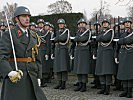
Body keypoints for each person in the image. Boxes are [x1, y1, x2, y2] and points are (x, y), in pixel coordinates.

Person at [0, 6, 47, 100]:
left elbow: (37, 58)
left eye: (28, 16)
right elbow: (2, 56)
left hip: (32, 76)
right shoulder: (9, 34)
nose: (27, 18)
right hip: (17, 76)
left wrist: (38, 76)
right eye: (24, 16)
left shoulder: (34, 35)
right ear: (17, 19)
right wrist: (9, 72)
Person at [95, 18, 116, 95]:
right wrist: (100, 38)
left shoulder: (110, 32)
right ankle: (102, 87)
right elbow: (97, 39)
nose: (105, 24)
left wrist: (100, 38)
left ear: (109, 24)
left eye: (106, 23)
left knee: (107, 71)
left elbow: (106, 38)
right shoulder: (100, 32)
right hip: (101, 52)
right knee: (101, 70)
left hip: (108, 53)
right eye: (103, 23)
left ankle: (107, 89)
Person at [73, 18, 91, 92]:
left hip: (84, 51)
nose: (82, 25)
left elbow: (84, 39)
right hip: (78, 51)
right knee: (78, 69)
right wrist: (78, 38)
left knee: (83, 69)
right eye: (80, 24)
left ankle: (84, 85)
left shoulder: (87, 32)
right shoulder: (78, 32)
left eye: (83, 23)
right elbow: (75, 39)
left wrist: (78, 38)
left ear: (85, 25)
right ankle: (80, 84)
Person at [117, 17, 133, 98]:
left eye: (128, 22)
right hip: (123, 53)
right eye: (125, 22)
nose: (127, 24)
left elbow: (130, 40)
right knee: (123, 72)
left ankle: (130, 91)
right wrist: (123, 40)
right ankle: (125, 90)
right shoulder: (122, 33)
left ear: (131, 24)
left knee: (129, 73)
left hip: (130, 54)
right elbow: (119, 41)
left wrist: (123, 40)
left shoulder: (132, 33)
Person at [53, 18, 70, 90]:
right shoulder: (57, 32)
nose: (60, 25)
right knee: (58, 67)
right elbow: (54, 40)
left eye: (62, 24)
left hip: (63, 50)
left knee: (63, 67)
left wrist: (58, 39)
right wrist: (57, 39)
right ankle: (59, 82)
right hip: (58, 50)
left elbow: (63, 38)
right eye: (59, 24)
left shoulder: (66, 31)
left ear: (64, 24)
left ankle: (63, 83)